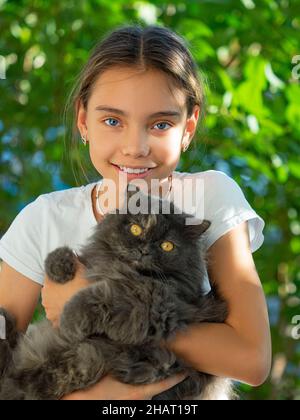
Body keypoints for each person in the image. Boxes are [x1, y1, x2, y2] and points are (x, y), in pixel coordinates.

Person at [0, 24, 272, 400]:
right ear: (83, 121)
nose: (135, 147)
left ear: (188, 128)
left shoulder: (208, 197)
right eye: (113, 121)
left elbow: (251, 359)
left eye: (160, 124)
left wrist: (101, 304)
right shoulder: (44, 219)